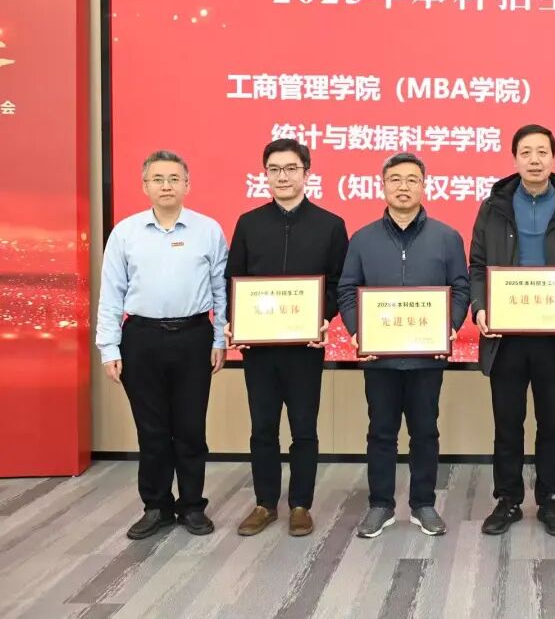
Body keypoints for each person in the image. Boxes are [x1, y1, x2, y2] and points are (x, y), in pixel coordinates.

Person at [469, 123, 555, 537]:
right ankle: (507, 499)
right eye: (526, 152)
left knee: (552, 424)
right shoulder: (493, 207)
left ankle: (550, 501)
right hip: (505, 336)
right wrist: (481, 308)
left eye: (542, 152)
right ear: (515, 158)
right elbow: (477, 266)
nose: (535, 160)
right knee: (507, 424)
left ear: (553, 157)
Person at [336, 153, 470, 539]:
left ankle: (423, 504)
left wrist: (449, 326)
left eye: (412, 179)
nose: (403, 187)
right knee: (381, 432)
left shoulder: (447, 237)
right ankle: (380, 505)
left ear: (424, 186)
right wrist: (357, 330)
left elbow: (461, 287)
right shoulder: (363, 239)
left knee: (425, 431)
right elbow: (347, 289)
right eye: (395, 179)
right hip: (379, 357)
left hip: (427, 357)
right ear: (383, 186)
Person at [96, 150, 227, 539]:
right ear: (145, 186)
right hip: (141, 338)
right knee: (151, 430)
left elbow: (221, 290)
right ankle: (156, 506)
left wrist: (219, 338)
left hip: (193, 336)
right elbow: (111, 294)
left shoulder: (208, 230)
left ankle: (192, 506)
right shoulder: (125, 232)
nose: (166, 185)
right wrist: (109, 347)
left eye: (174, 178)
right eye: (158, 179)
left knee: (190, 427)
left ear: (187, 184)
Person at [225, 137, 348, 538]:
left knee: (303, 428)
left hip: (304, 348)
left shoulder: (330, 225)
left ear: (306, 173)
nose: (282, 176)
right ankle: (264, 503)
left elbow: (338, 283)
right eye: (274, 169)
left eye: (291, 169)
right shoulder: (249, 223)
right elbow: (234, 280)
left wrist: (323, 318)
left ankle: (300, 505)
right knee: (262, 427)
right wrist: (234, 321)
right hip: (259, 349)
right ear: (265, 175)